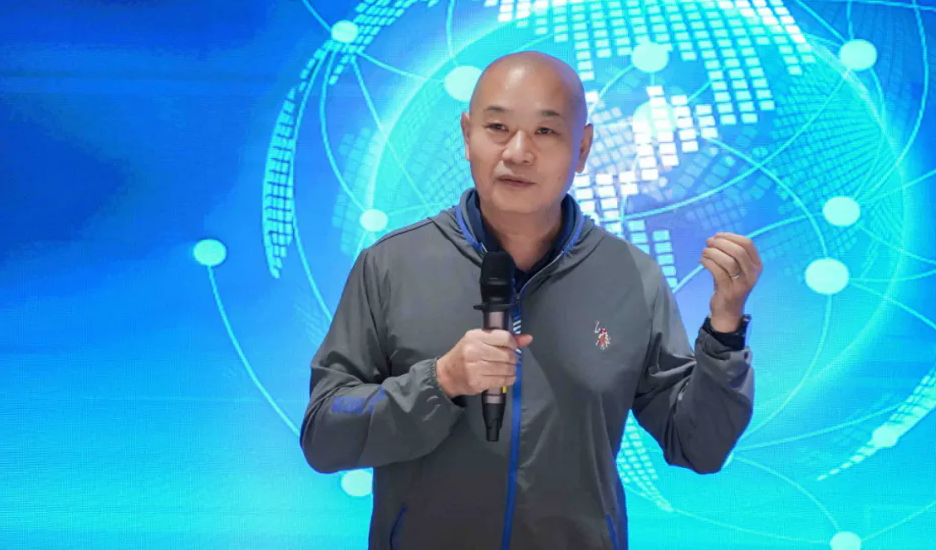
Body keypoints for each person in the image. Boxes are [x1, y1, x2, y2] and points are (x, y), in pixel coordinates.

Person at [300, 51, 761, 550]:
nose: (518, 152)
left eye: (545, 131)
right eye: (498, 127)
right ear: (467, 135)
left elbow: (698, 446)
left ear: (582, 148)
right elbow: (324, 436)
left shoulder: (632, 277)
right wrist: (440, 382)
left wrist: (725, 329)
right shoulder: (391, 266)